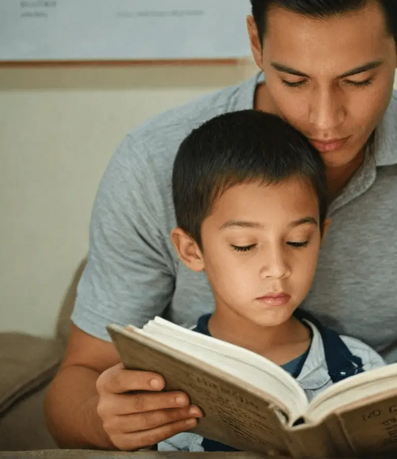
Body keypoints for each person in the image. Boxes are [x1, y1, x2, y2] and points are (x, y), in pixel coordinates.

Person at [44, 0, 397, 451]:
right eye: (293, 80)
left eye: (358, 80)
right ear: (256, 42)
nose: (325, 119)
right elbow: (77, 381)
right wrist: (104, 418)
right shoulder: (153, 164)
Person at [157, 110, 384, 452]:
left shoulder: (361, 369)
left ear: (320, 237)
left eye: (297, 241)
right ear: (192, 250)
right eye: (245, 245)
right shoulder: (165, 376)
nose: (277, 269)